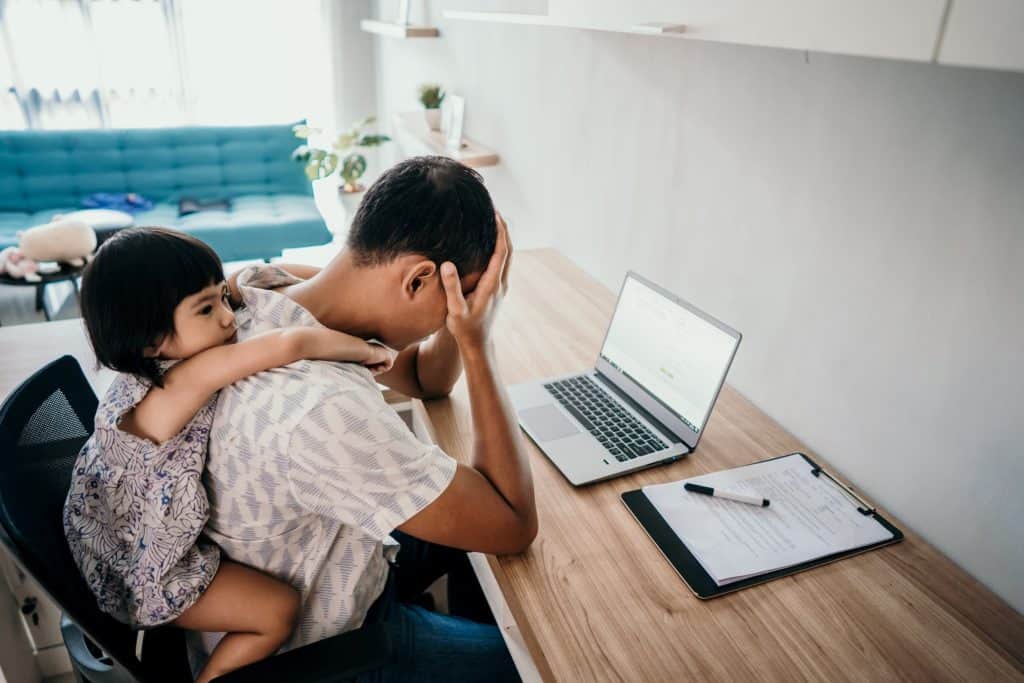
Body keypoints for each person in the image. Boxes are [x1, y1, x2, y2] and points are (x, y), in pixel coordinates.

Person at [200, 156, 536, 681]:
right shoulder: (322, 409)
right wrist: (477, 340)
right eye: (460, 294)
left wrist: (458, 315)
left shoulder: (263, 289)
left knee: (483, 564)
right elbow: (513, 523)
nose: (461, 309)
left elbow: (426, 380)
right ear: (420, 279)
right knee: (543, 664)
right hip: (325, 645)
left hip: (324, 554)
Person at [63, 228, 396, 683]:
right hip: (144, 574)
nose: (227, 318)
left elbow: (243, 278)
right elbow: (290, 344)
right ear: (150, 341)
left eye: (220, 297)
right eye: (206, 308)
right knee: (278, 610)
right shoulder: (175, 385)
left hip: (112, 538)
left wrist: (286, 282)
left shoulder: (156, 363)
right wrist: (367, 350)